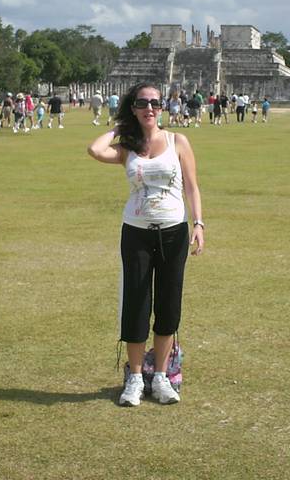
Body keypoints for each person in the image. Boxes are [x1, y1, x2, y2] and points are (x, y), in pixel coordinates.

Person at [87, 82, 204, 407]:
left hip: (173, 232)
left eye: (155, 102)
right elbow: (94, 150)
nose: (150, 108)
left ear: (163, 106)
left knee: (168, 305)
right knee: (136, 304)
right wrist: (119, 128)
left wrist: (198, 223)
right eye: (142, 103)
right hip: (136, 232)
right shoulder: (127, 146)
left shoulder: (177, 141)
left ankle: (162, 376)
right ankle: (136, 378)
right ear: (134, 108)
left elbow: (192, 187)